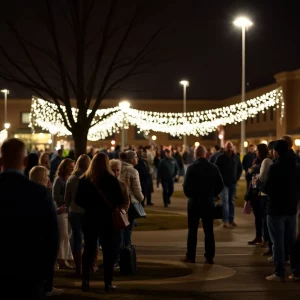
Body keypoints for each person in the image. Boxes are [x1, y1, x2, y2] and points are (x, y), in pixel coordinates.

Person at [0, 138, 59, 299]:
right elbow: (52, 237)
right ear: (25, 161)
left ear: (1, 161)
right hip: (29, 273)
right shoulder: (39, 193)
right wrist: (44, 274)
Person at [75, 153, 126, 292]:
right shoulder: (111, 179)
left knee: (89, 250)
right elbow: (120, 199)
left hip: (90, 217)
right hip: (107, 218)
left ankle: (85, 281)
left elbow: (78, 200)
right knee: (108, 251)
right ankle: (107, 283)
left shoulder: (85, 179)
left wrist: (89, 204)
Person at [265, 140, 300, 281]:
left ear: (277, 151)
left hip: (276, 209)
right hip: (291, 208)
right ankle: (296, 271)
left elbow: (268, 188)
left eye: (273, 150)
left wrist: (260, 185)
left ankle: (279, 272)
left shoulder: (275, 167)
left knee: (278, 243)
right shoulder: (296, 166)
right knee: (291, 242)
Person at [182, 145, 224, 264]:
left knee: (192, 230)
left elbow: (186, 187)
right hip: (208, 202)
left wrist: (190, 194)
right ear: (206, 154)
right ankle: (209, 257)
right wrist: (213, 194)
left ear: (195, 154)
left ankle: (191, 256)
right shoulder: (213, 168)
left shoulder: (191, 168)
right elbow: (220, 184)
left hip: (194, 202)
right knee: (209, 231)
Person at [29, 166, 63, 297]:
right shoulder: (42, 193)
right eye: (47, 176)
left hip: (35, 234)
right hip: (43, 234)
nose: (49, 178)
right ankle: (46, 288)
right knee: (46, 262)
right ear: (42, 177)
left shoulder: (30, 190)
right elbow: (46, 215)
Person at [65, 154, 91, 276]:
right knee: (90, 239)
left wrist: (69, 205)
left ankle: (78, 267)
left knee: (77, 238)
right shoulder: (91, 177)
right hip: (88, 211)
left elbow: (67, 197)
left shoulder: (71, 178)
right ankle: (90, 264)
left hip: (74, 210)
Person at [53, 158, 75, 269]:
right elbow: (56, 196)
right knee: (64, 235)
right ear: (64, 167)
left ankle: (64, 259)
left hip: (69, 210)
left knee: (69, 235)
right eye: (70, 166)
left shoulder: (71, 179)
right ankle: (61, 260)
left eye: (73, 166)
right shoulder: (59, 180)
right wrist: (67, 200)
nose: (72, 168)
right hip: (61, 210)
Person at [246, 144, 269, 246]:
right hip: (254, 191)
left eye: (257, 151)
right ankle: (258, 236)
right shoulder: (255, 161)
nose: (256, 152)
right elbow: (249, 175)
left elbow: (264, 177)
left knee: (263, 216)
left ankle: (265, 238)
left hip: (263, 192)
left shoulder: (267, 161)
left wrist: (256, 170)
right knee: (257, 216)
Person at [215, 141, 242, 228]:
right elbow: (216, 170)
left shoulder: (236, 158)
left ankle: (231, 220)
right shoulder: (220, 158)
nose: (229, 148)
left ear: (232, 148)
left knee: (231, 201)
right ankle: (225, 221)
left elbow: (240, 169)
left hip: (233, 183)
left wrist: (237, 178)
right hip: (224, 184)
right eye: (227, 147)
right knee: (225, 201)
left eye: (230, 147)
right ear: (224, 148)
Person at [120, 150, 144, 246]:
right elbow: (137, 189)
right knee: (128, 231)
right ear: (131, 160)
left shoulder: (118, 168)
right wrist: (141, 198)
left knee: (121, 229)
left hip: (120, 203)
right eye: (135, 157)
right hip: (131, 202)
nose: (137, 158)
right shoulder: (133, 171)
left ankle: (120, 251)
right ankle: (127, 251)